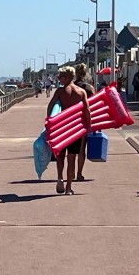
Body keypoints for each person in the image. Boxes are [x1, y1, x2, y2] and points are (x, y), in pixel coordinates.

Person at [47, 66, 91, 195]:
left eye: (61, 77)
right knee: (71, 158)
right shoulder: (81, 92)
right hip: (75, 128)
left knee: (60, 156)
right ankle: (68, 188)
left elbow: (50, 107)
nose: (59, 79)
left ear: (68, 77)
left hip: (61, 127)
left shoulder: (61, 91)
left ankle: (60, 177)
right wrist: (89, 126)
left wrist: (49, 124)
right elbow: (87, 111)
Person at [72, 64, 96, 183]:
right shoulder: (89, 88)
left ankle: (69, 172)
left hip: (71, 121)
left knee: (70, 150)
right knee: (82, 149)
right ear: (86, 74)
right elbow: (94, 105)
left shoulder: (70, 87)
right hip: (83, 121)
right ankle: (79, 174)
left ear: (75, 73)